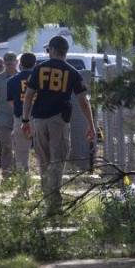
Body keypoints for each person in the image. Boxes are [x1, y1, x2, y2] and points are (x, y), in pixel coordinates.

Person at [21, 35, 96, 215]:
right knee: (57, 161)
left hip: (39, 121)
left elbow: (29, 96)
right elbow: (83, 101)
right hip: (59, 121)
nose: (48, 53)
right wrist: (91, 125)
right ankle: (54, 204)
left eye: (48, 50)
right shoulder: (72, 72)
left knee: (44, 163)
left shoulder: (39, 69)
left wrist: (25, 120)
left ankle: (49, 202)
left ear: (53, 50)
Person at [7, 52, 36, 173]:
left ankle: (24, 186)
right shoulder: (39, 77)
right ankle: (47, 184)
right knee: (44, 153)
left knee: (21, 154)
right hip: (39, 117)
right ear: (35, 63)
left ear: (20, 64)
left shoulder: (12, 80)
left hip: (20, 118)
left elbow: (11, 102)